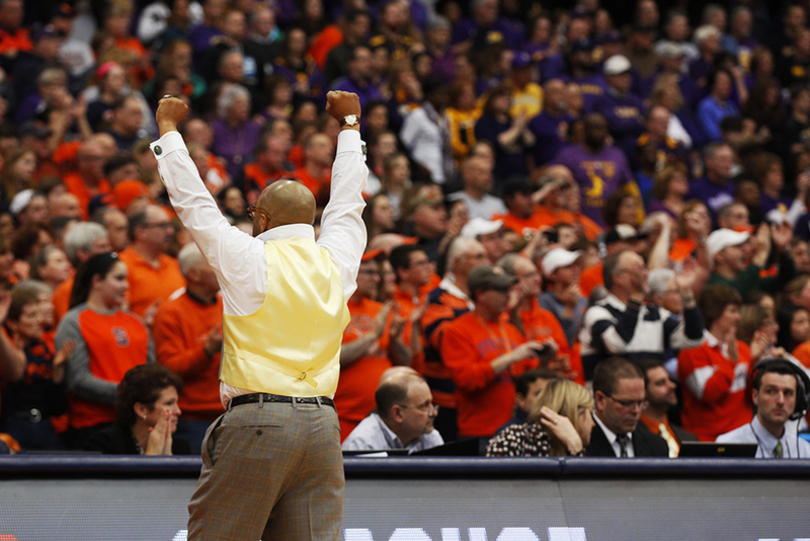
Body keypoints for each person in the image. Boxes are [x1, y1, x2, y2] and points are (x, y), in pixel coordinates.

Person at [151, 91, 366, 540]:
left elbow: (195, 205)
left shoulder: (248, 257)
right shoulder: (339, 259)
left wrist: (169, 131)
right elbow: (347, 201)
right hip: (325, 427)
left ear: (262, 219)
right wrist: (349, 126)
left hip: (260, 420)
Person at [55, 252, 155, 449]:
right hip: (93, 426)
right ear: (97, 281)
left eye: (126, 278)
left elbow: (152, 374)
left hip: (138, 426)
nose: (126, 285)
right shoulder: (74, 321)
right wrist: (130, 396)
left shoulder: (137, 322)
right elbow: (78, 380)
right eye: (118, 278)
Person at [440, 265, 543, 438]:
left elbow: (528, 378)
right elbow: (466, 379)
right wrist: (510, 358)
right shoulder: (457, 330)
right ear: (480, 294)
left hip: (519, 430)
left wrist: (545, 361)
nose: (508, 295)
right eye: (501, 290)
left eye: (508, 289)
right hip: (480, 433)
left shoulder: (510, 329)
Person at [579, 249, 704, 380]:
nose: (645, 274)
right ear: (617, 278)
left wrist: (686, 293)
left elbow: (693, 338)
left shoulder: (654, 313)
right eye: (637, 269)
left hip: (646, 398)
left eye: (644, 267)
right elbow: (616, 344)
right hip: (608, 398)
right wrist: (636, 296)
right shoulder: (598, 311)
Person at [152, 242, 224, 455]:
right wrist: (207, 350)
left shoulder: (227, 305)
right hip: (192, 419)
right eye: (213, 263)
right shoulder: (170, 312)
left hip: (230, 413)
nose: (221, 267)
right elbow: (169, 368)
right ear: (194, 274)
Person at [677, 285, 754, 441]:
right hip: (707, 441)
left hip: (744, 437)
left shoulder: (743, 348)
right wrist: (731, 362)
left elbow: (753, 393)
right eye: (732, 311)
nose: (738, 317)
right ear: (714, 313)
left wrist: (759, 362)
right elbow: (707, 393)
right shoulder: (693, 350)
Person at [84, 364, 190, 455]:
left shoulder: (181, 448)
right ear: (141, 410)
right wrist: (152, 457)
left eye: (176, 403)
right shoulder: (104, 444)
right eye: (169, 403)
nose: (178, 411)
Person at [717, 358, 810, 458]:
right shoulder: (729, 445)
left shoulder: (804, 451)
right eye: (770, 391)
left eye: (787, 393)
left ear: (798, 400)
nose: (780, 401)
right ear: (755, 396)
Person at [341, 367, 444, 453]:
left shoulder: (431, 436)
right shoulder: (362, 444)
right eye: (424, 406)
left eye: (432, 404)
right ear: (398, 414)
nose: (434, 413)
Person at [487, 378, 594, 457]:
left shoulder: (586, 445)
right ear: (575, 414)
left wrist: (575, 447)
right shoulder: (515, 439)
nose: (593, 423)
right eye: (590, 412)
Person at [586, 357, 669, 457]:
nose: (636, 411)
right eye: (626, 403)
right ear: (600, 400)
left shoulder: (657, 446)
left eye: (640, 403)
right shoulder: (580, 444)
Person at [637, 359, 697, 457]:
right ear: (643, 392)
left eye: (669, 380)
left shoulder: (689, 438)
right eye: (661, 383)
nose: (672, 386)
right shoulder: (631, 438)